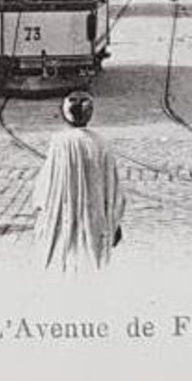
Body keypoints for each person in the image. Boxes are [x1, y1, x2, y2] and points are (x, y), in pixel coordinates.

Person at [31, 91, 125, 272]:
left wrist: (41, 208)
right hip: (94, 216)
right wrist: (114, 221)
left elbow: (46, 183)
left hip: (63, 214)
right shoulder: (102, 143)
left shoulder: (59, 142)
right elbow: (112, 186)